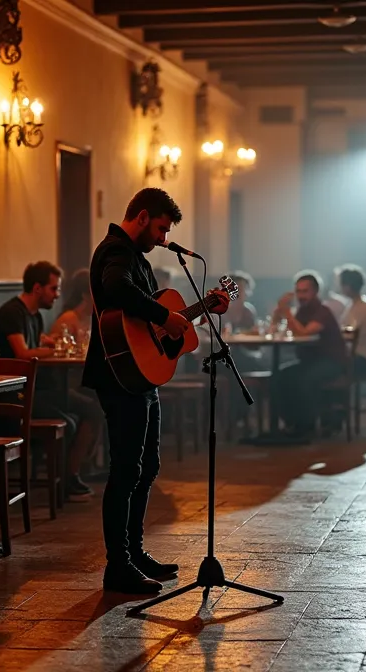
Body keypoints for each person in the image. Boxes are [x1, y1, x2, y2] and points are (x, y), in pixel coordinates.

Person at [83, 187, 229, 594]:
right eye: (162, 229)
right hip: (119, 376)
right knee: (126, 470)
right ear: (143, 216)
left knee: (146, 468)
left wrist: (197, 313)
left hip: (141, 376)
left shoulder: (138, 258)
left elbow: (155, 326)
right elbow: (117, 290)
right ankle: (118, 565)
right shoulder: (117, 250)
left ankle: (134, 551)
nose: (165, 239)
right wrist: (166, 314)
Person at [0, 262, 102, 499]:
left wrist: (48, 345)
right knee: (76, 417)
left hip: (34, 389)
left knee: (93, 408)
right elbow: (22, 354)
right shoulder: (13, 312)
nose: (59, 295)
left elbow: (38, 344)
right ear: (37, 288)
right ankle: (66, 481)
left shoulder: (34, 316)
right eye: (54, 289)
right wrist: (54, 348)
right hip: (12, 395)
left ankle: (71, 475)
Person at [270, 270, 350, 435]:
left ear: (315, 292)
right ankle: (291, 422)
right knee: (279, 376)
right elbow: (285, 329)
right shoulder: (302, 311)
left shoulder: (322, 311)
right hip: (311, 361)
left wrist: (286, 312)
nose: (301, 296)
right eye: (298, 291)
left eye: (305, 291)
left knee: (304, 379)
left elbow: (304, 332)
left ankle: (307, 425)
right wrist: (279, 312)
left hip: (331, 362)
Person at [334, 265, 366, 377]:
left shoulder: (363, 308)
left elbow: (348, 333)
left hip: (363, 359)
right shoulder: (356, 305)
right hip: (356, 356)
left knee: (324, 366)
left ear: (347, 286)